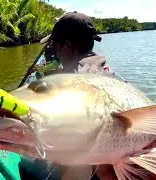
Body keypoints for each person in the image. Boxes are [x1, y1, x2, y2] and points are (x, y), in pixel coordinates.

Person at [19, 11, 119, 180]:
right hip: (110, 159)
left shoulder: (72, 84)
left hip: (90, 169)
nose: (55, 52)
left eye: (55, 45)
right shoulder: (105, 71)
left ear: (67, 45)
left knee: (24, 159)